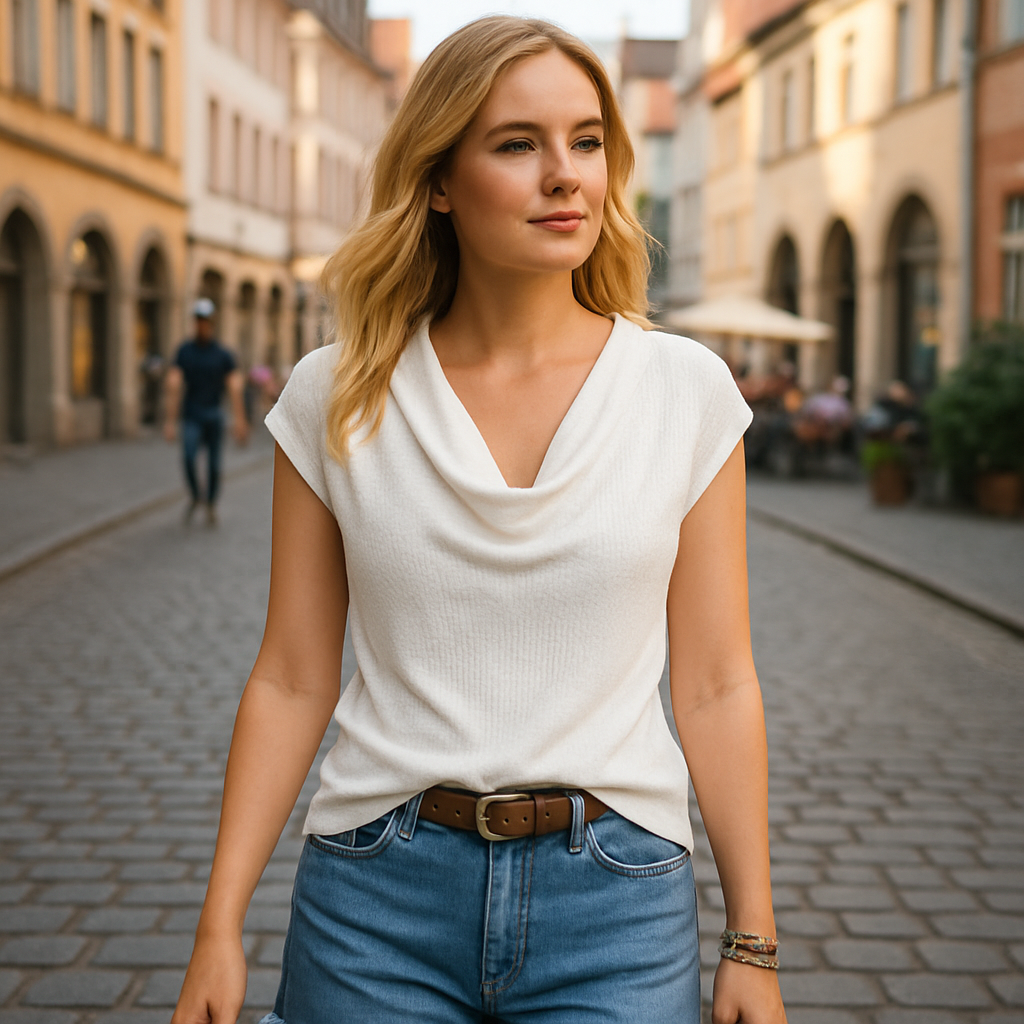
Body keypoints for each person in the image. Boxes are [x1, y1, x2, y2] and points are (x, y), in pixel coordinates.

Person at [172, 18, 787, 1024]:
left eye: (586, 141)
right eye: (516, 144)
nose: (565, 174)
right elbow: (290, 674)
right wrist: (217, 926)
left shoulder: (685, 390)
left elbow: (718, 683)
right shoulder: (338, 395)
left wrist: (751, 942)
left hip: (617, 904)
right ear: (439, 181)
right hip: (375, 897)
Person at [163, 299, 249, 525]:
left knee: (214, 465)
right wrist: (170, 421)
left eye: (206, 321)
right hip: (191, 414)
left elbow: (234, 388)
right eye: (199, 320)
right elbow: (173, 385)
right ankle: (195, 496)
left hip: (214, 414)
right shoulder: (185, 351)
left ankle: (210, 502)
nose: (202, 325)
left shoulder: (222, 354)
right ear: (195, 322)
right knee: (188, 457)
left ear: (212, 323)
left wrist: (240, 421)